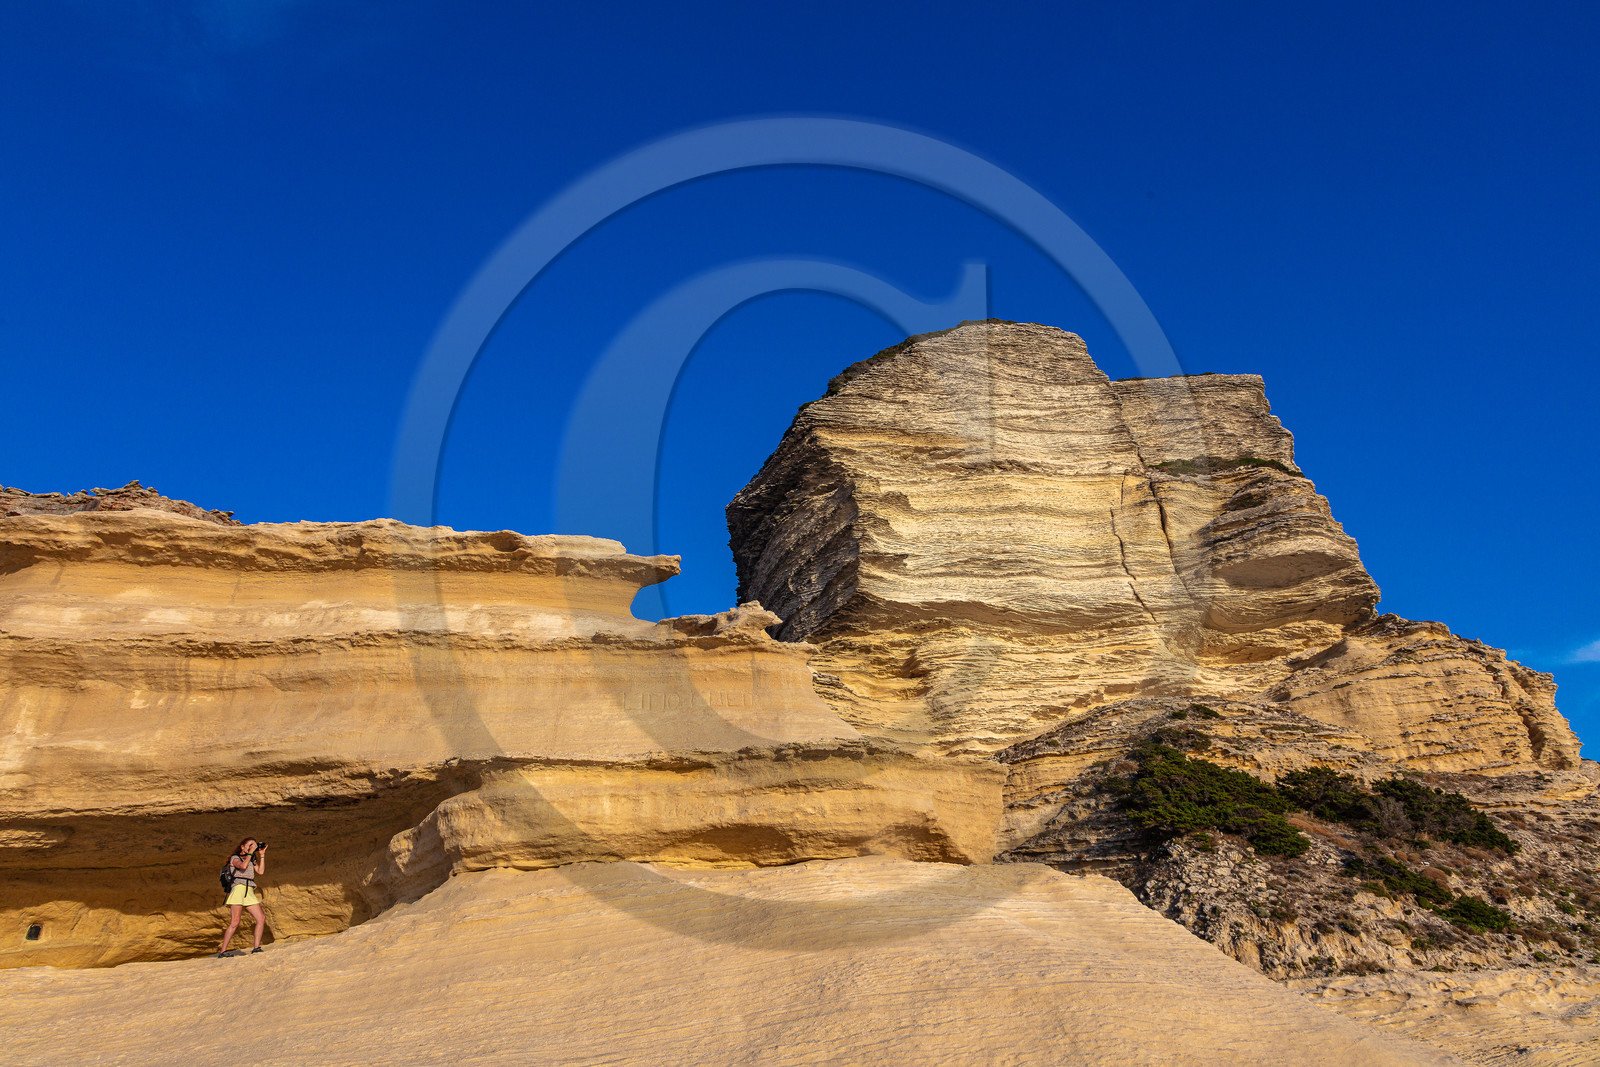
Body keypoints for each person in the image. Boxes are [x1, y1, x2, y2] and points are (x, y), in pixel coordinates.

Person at [217, 838, 268, 957]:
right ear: (242, 847)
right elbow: (243, 866)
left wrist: (262, 855)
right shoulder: (235, 858)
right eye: (249, 845)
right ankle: (223, 951)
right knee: (235, 922)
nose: (252, 847)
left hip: (249, 890)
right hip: (239, 889)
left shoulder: (251, 859)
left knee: (261, 918)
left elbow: (260, 871)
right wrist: (251, 853)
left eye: (253, 845)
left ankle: (256, 947)